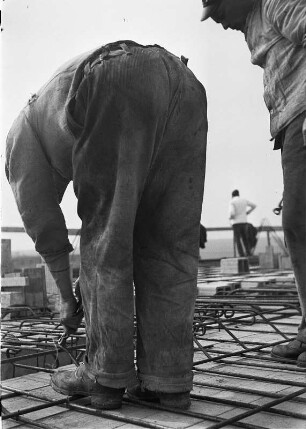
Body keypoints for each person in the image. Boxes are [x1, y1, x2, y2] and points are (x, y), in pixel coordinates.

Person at [5, 40, 208, 408]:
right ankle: (169, 381)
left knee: (103, 243)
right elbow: (132, 213)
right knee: (170, 248)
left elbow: (45, 224)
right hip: (185, 85)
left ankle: (104, 376)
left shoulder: (21, 136)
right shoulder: (51, 117)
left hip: (118, 75)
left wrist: (67, 299)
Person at [200, 0, 306, 367]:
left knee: (299, 225)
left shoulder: (276, 2)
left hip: (303, 116)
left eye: (219, 12)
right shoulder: (253, 22)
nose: (220, 23)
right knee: (296, 223)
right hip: (292, 125)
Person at [229, 189, 256, 257]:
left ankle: (241, 254)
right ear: (238, 194)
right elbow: (254, 206)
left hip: (236, 222)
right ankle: (248, 252)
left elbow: (232, 213)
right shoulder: (244, 200)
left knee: (238, 239)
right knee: (244, 238)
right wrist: (248, 212)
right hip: (244, 221)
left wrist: (230, 218)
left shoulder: (232, 202)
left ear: (232, 195)